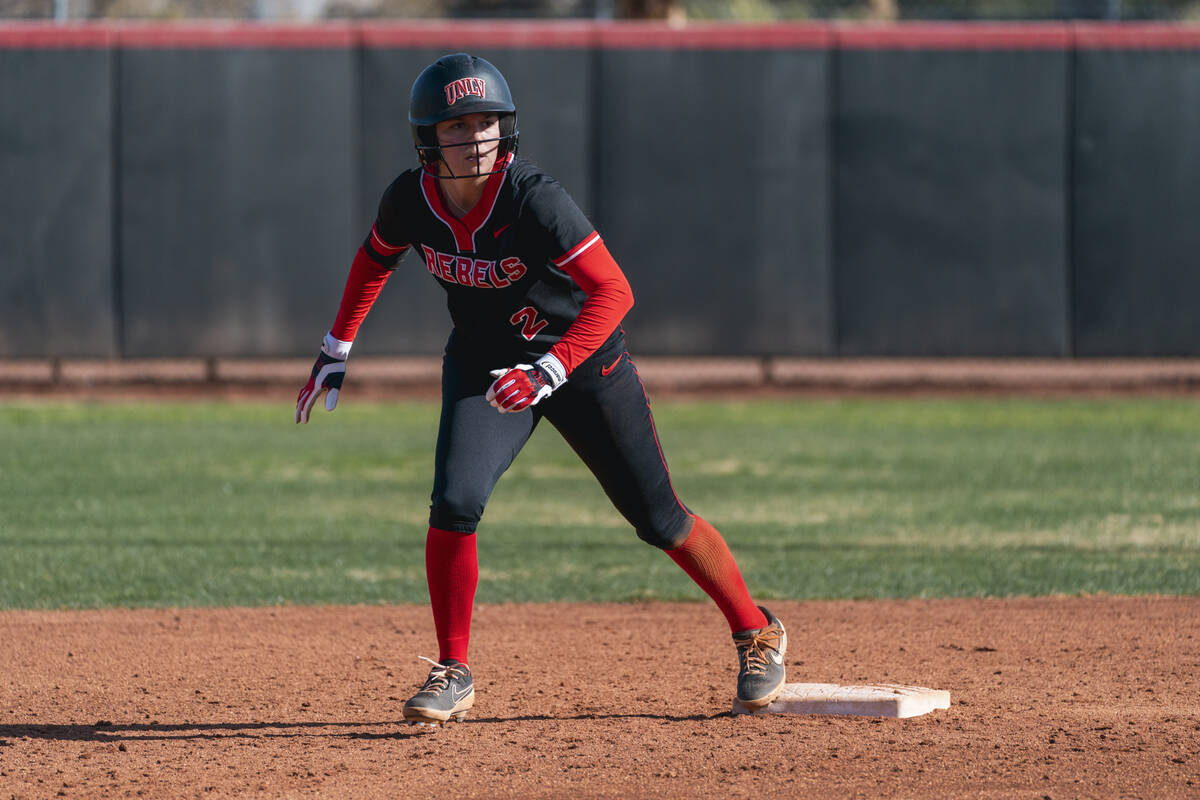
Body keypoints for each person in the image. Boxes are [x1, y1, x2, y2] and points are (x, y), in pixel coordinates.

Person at [296, 53, 786, 727]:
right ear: (426, 138)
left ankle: (756, 630)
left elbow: (615, 291)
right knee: (455, 502)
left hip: (582, 366)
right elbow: (374, 258)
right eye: (457, 125)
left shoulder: (532, 197)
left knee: (659, 519)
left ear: (507, 130)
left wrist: (552, 368)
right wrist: (337, 345)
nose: (474, 138)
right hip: (487, 368)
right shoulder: (411, 198)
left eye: (487, 123)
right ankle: (453, 669)